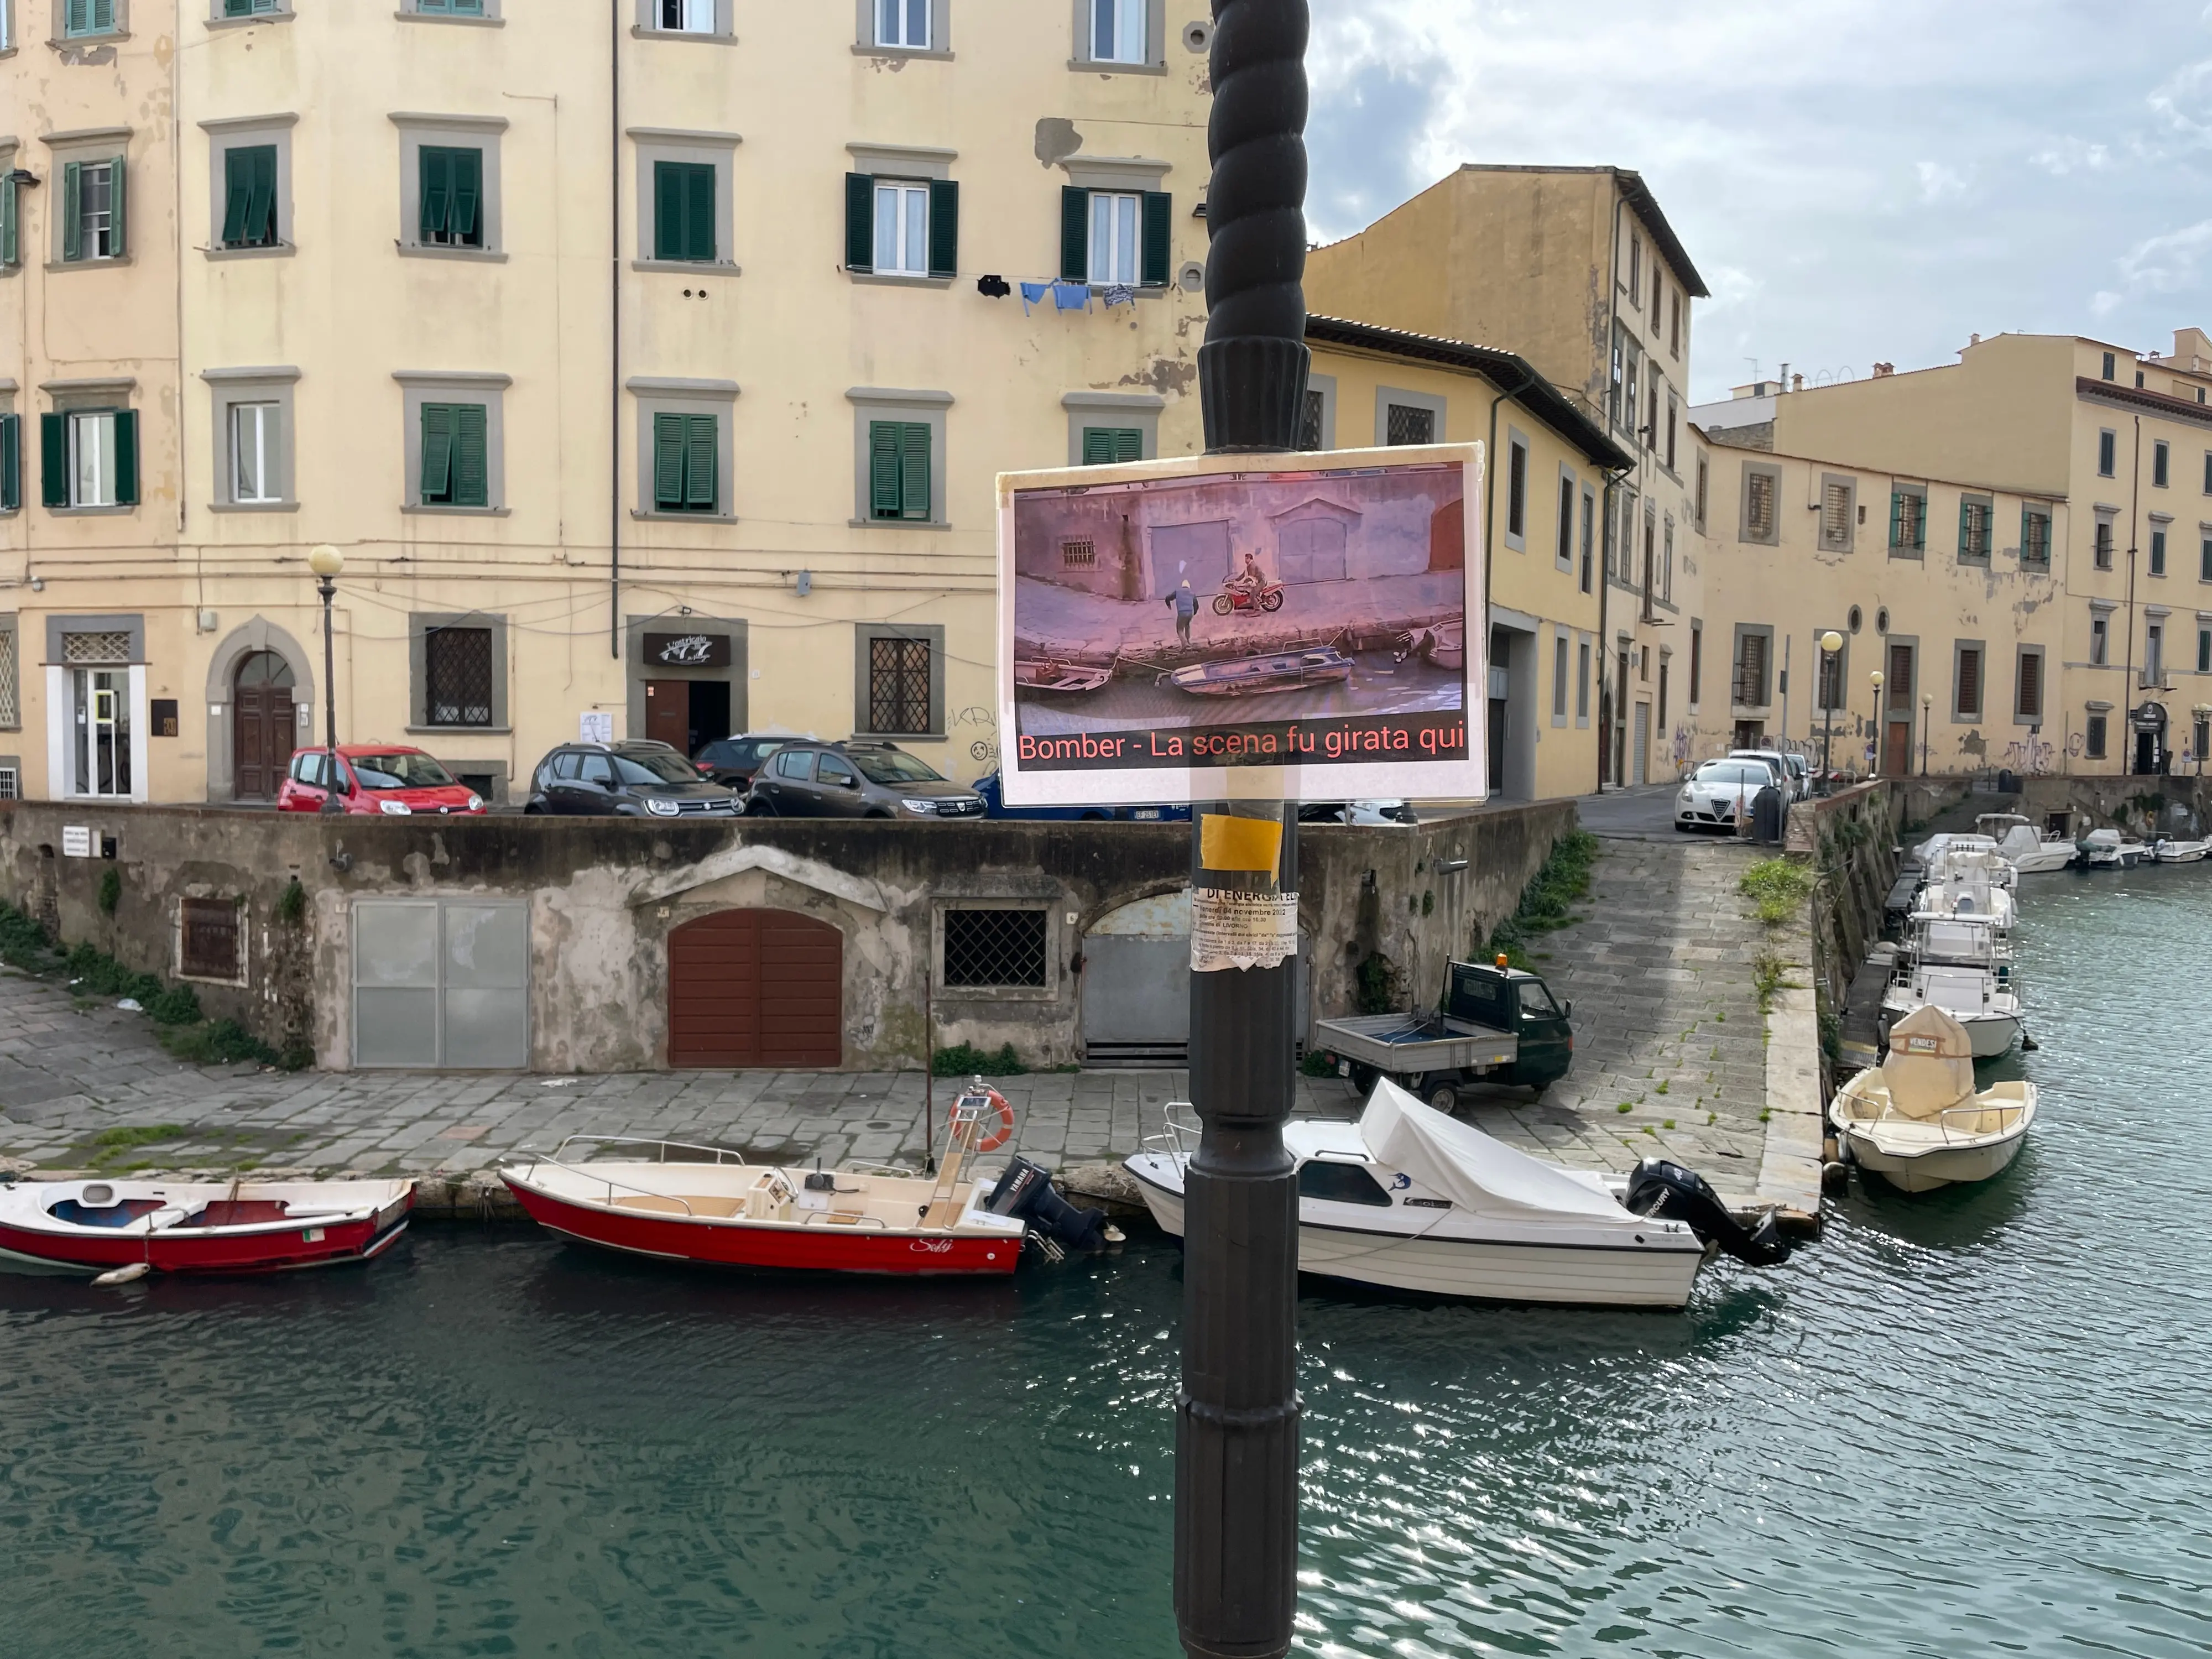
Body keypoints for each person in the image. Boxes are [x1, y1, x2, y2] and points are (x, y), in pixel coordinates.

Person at [1166, 579, 1197, 647]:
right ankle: (1188, 642)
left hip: (1182, 613)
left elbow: (1168, 598)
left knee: (1180, 629)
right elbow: (1196, 605)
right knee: (1187, 625)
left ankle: (1185, 643)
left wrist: (1169, 605)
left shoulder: (1178, 592)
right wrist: (1193, 613)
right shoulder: (1192, 593)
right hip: (1190, 612)